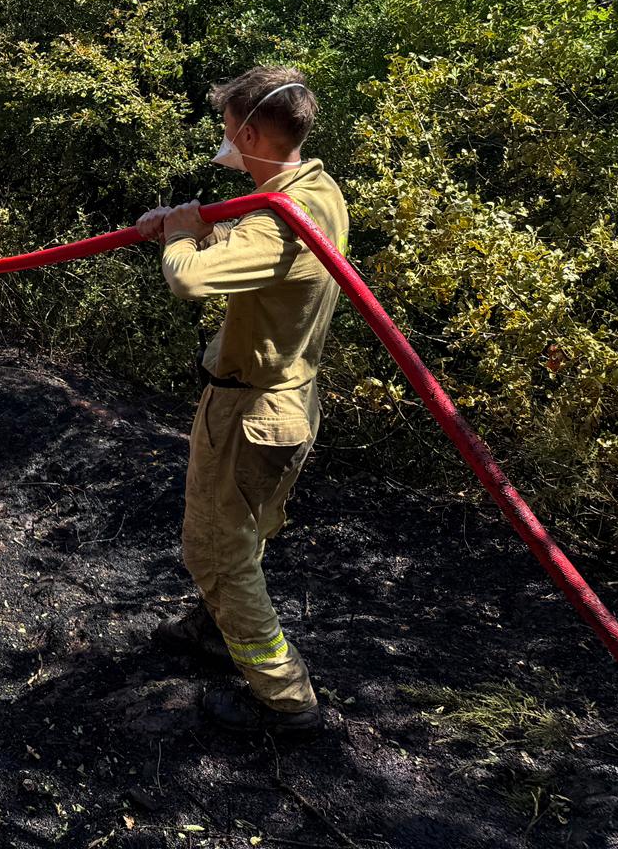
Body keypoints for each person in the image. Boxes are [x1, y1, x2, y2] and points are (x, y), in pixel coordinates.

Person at [136, 65, 349, 734]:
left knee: (218, 553)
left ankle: (286, 700)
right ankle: (212, 626)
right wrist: (189, 227)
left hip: (251, 412)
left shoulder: (282, 220)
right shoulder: (316, 188)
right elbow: (245, 247)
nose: (224, 139)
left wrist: (178, 235)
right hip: (287, 402)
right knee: (243, 533)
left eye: (229, 129)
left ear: (251, 130)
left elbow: (190, 283)